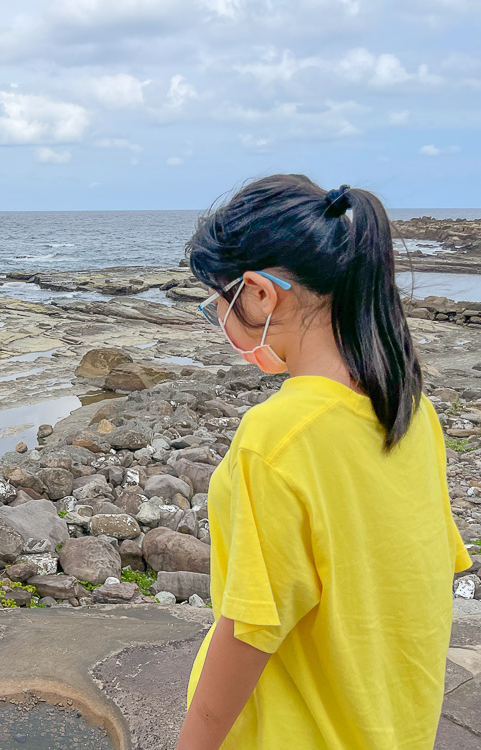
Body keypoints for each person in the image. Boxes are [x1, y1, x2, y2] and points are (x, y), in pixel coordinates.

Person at [176, 175, 472, 749]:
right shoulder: (412, 411)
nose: (220, 321)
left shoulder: (276, 438)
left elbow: (247, 631)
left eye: (218, 303)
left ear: (260, 294)